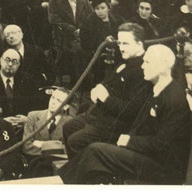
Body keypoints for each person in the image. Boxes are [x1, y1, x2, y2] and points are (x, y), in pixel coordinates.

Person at [61, 43, 192, 183]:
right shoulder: (158, 89)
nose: (142, 66)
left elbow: (162, 145)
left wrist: (129, 141)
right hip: (148, 156)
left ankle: (64, 182)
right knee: (94, 150)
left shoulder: (173, 98)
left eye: (147, 62)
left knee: (95, 150)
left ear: (162, 66)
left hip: (161, 168)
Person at [62, 22, 151, 157]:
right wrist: (98, 90)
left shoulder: (143, 70)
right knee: (68, 127)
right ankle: (77, 169)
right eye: (120, 43)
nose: (121, 48)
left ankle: (87, 173)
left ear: (139, 44)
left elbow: (132, 110)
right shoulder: (125, 63)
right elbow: (107, 84)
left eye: (125, 44)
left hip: (117, 124)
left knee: (75, 141)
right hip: (100, 115)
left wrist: (105, 98)